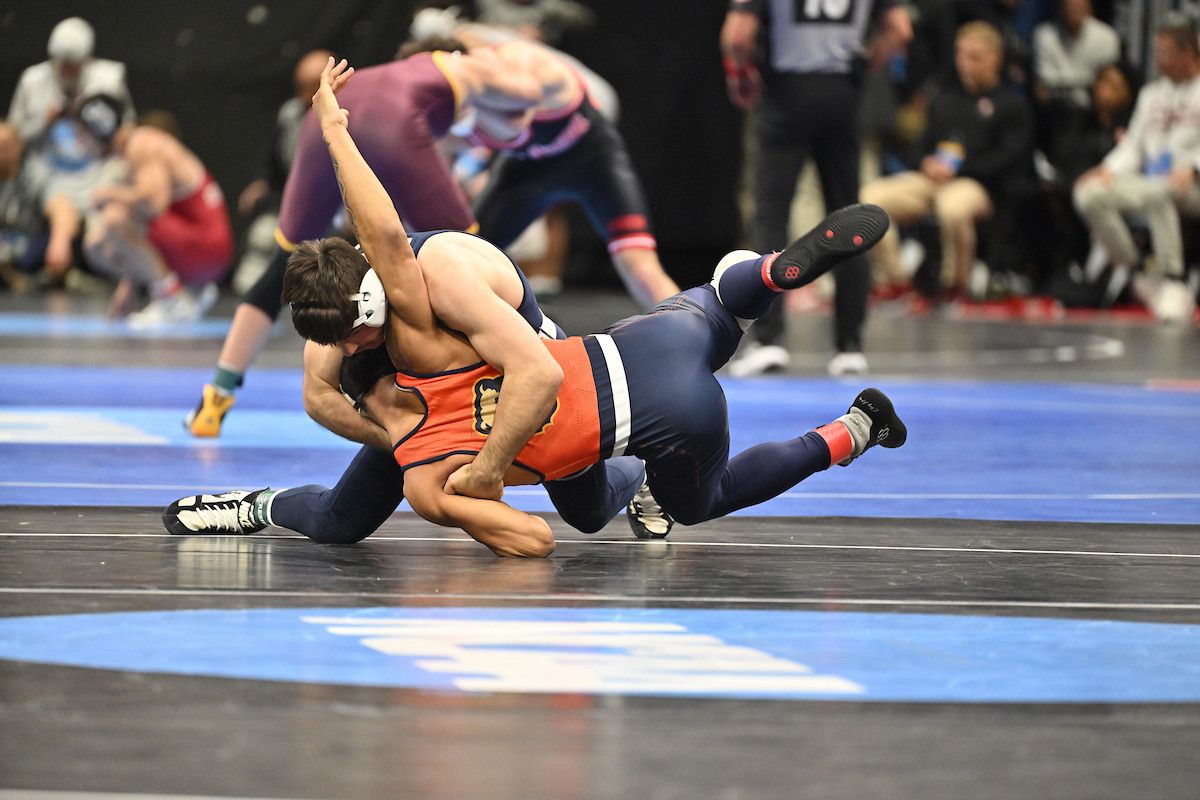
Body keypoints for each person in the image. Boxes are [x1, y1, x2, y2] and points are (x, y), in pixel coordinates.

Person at [163, 59, 907, 557]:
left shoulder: (430, 300)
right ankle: (763, 277)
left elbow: (533, 380)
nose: (354, 349)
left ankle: (848, 426)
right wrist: (332, 130)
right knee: (703, 320)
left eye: (358, 338)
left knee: (664, 495)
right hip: (615, 357)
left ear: (372, 301)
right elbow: (321, 382)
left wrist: (478, 474)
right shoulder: (364, 310)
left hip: (561, 388)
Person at [184, 43, 547, 438]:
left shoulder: (400, 73)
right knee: (472, 255)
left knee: (282, 265)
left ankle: (216, 396)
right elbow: (527, 109)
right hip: (394, 128)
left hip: (323, 122)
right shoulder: (473, 68)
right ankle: (522, 363)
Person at [404, 32, 680, 308]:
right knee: (461, 254)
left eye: (433, 92)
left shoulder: (521, 62)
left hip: (594, 159)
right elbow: (439, 184)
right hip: (528, 170)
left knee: (638, 262)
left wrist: (463, 118)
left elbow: (518, 114)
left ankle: (690, 324)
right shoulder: (457, 109)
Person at [719, 0, 912, 377]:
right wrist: (864, 69)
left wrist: (740, 76)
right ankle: (849, 346)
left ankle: (769, 341)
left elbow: (737, 37)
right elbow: (900, 29)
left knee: (771, 215)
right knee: (849, 218)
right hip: (841, 92)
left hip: (786, 91)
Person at [858, 21, 1034, 299]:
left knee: (952, 208)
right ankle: (895, 281)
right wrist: (925, 163)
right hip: (933, 179)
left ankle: (955, 285)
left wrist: (961, 170)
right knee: (870, 200)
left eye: (975, 57)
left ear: (995, 60)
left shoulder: (1011, 105)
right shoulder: (944, 98)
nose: (965, 64)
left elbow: (1008, 158)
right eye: (961, 55)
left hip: (980, 185)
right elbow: (919, 144)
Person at [1072, 12, 1200, 324]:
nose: (1158, 59)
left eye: (1165, 52)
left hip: (1191, 184)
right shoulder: (1150, 94)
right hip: (1150, 180)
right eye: (1157, 51)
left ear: (1187, 52)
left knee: (1159, 193)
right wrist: (1107, 169)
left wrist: (1195, 168)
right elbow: (1133, 145)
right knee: (1089, 194)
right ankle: (1136, 267)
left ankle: (1173, 278)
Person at [80, 94, 233, 326]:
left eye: (81, 135)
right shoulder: (138, 144)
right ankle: (189, 292)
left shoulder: (140, 145)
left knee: (113, 220)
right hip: (205, 244)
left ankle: (173, 301)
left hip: (206, 247)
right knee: (99, 243)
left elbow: (153, 204)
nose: (79, 144)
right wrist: (128, 287)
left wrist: (110, 194)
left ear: (98, 128)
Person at [231, 49, 332, 295]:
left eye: (311, 86)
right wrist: (261, 181)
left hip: (335, 202)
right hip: (291, 198)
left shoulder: (348, 112)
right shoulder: (290, 114)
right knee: (262, 238)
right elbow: (271, 154)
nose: (305, 94)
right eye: (301, 86)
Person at [7, 17, 135, 146]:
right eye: (63, 65)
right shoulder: (31, 80)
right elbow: (11, 137)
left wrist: (91, 119)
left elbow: (127, 129)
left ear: (88, 59)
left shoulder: (110, 79)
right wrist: (44, 121)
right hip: (41, 156)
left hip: (99, 156)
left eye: (74, 66)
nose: (68, 72)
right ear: (52, 58)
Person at [1032, 0, 1120, 110]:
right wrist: (1085, 83)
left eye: (1079, 7)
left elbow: (1106, 81)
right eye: (1070, 7)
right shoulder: (1044, 35)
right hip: (1053, 107)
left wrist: (1062, 84)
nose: (1074, 11)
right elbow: (1045, 81)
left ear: (1089, 8)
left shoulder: (1107, 37)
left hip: (1094, 108)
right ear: (1061, 8)